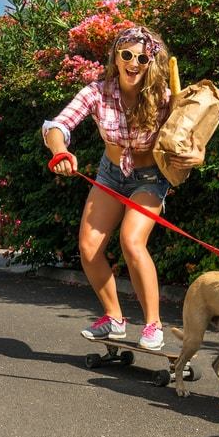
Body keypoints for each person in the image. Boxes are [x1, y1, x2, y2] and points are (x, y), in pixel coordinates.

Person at [41, 25, 203, 350]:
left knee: (132, 241)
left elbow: (192, 143)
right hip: (110, 173)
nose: (133, 62)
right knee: (88, 248)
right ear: (116, 57)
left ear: (150, 62)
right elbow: (57, 125)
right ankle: (114, 319)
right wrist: (60, 150)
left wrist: (192, 155)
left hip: (149, 178)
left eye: (142, 58)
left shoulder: (165, 98)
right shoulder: (96, 92)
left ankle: (153, 325)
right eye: (126, 55)